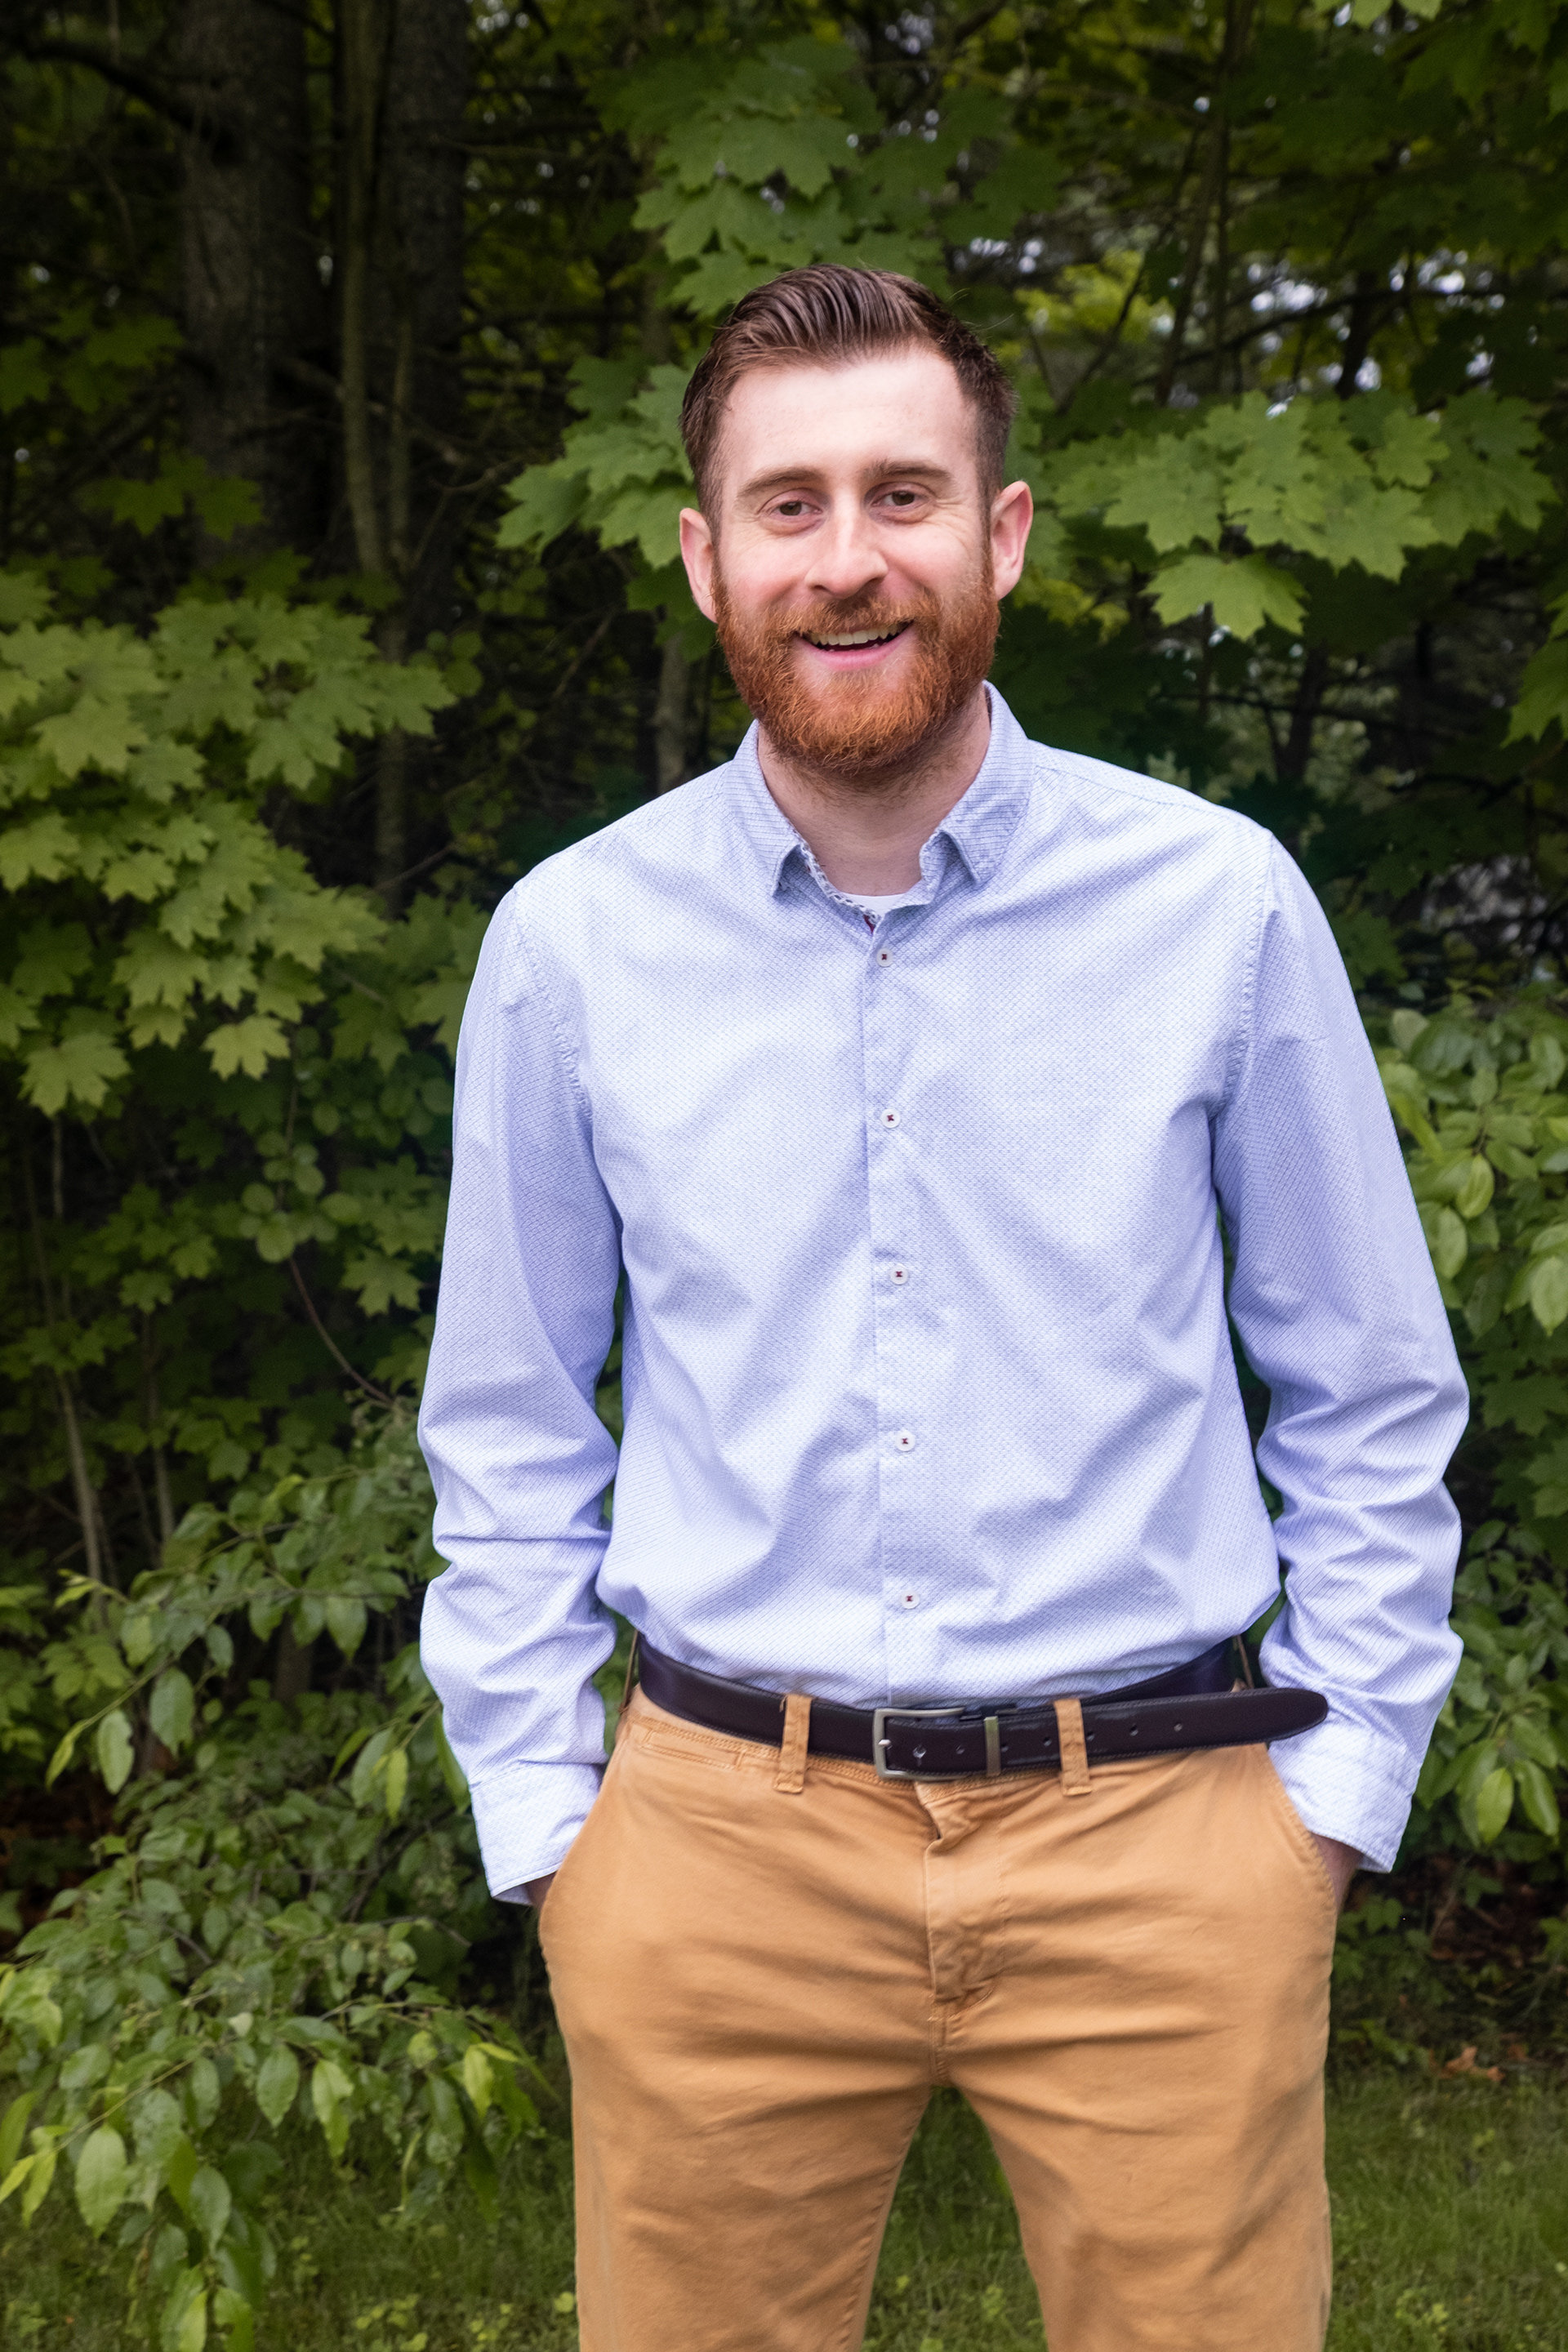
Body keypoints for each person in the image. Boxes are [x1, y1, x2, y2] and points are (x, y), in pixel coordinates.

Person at [417, 265, 1466, 2352]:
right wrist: (553, 1831)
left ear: (1000, 535)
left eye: (903, 494)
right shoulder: (573, 946)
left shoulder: (1219, 906)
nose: (848, 558)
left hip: (1165, 1840)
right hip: (716, 1855)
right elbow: (511, 1421)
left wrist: (1331, 1805)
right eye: (788, 505)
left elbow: (1368, 1388)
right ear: (707, 558)